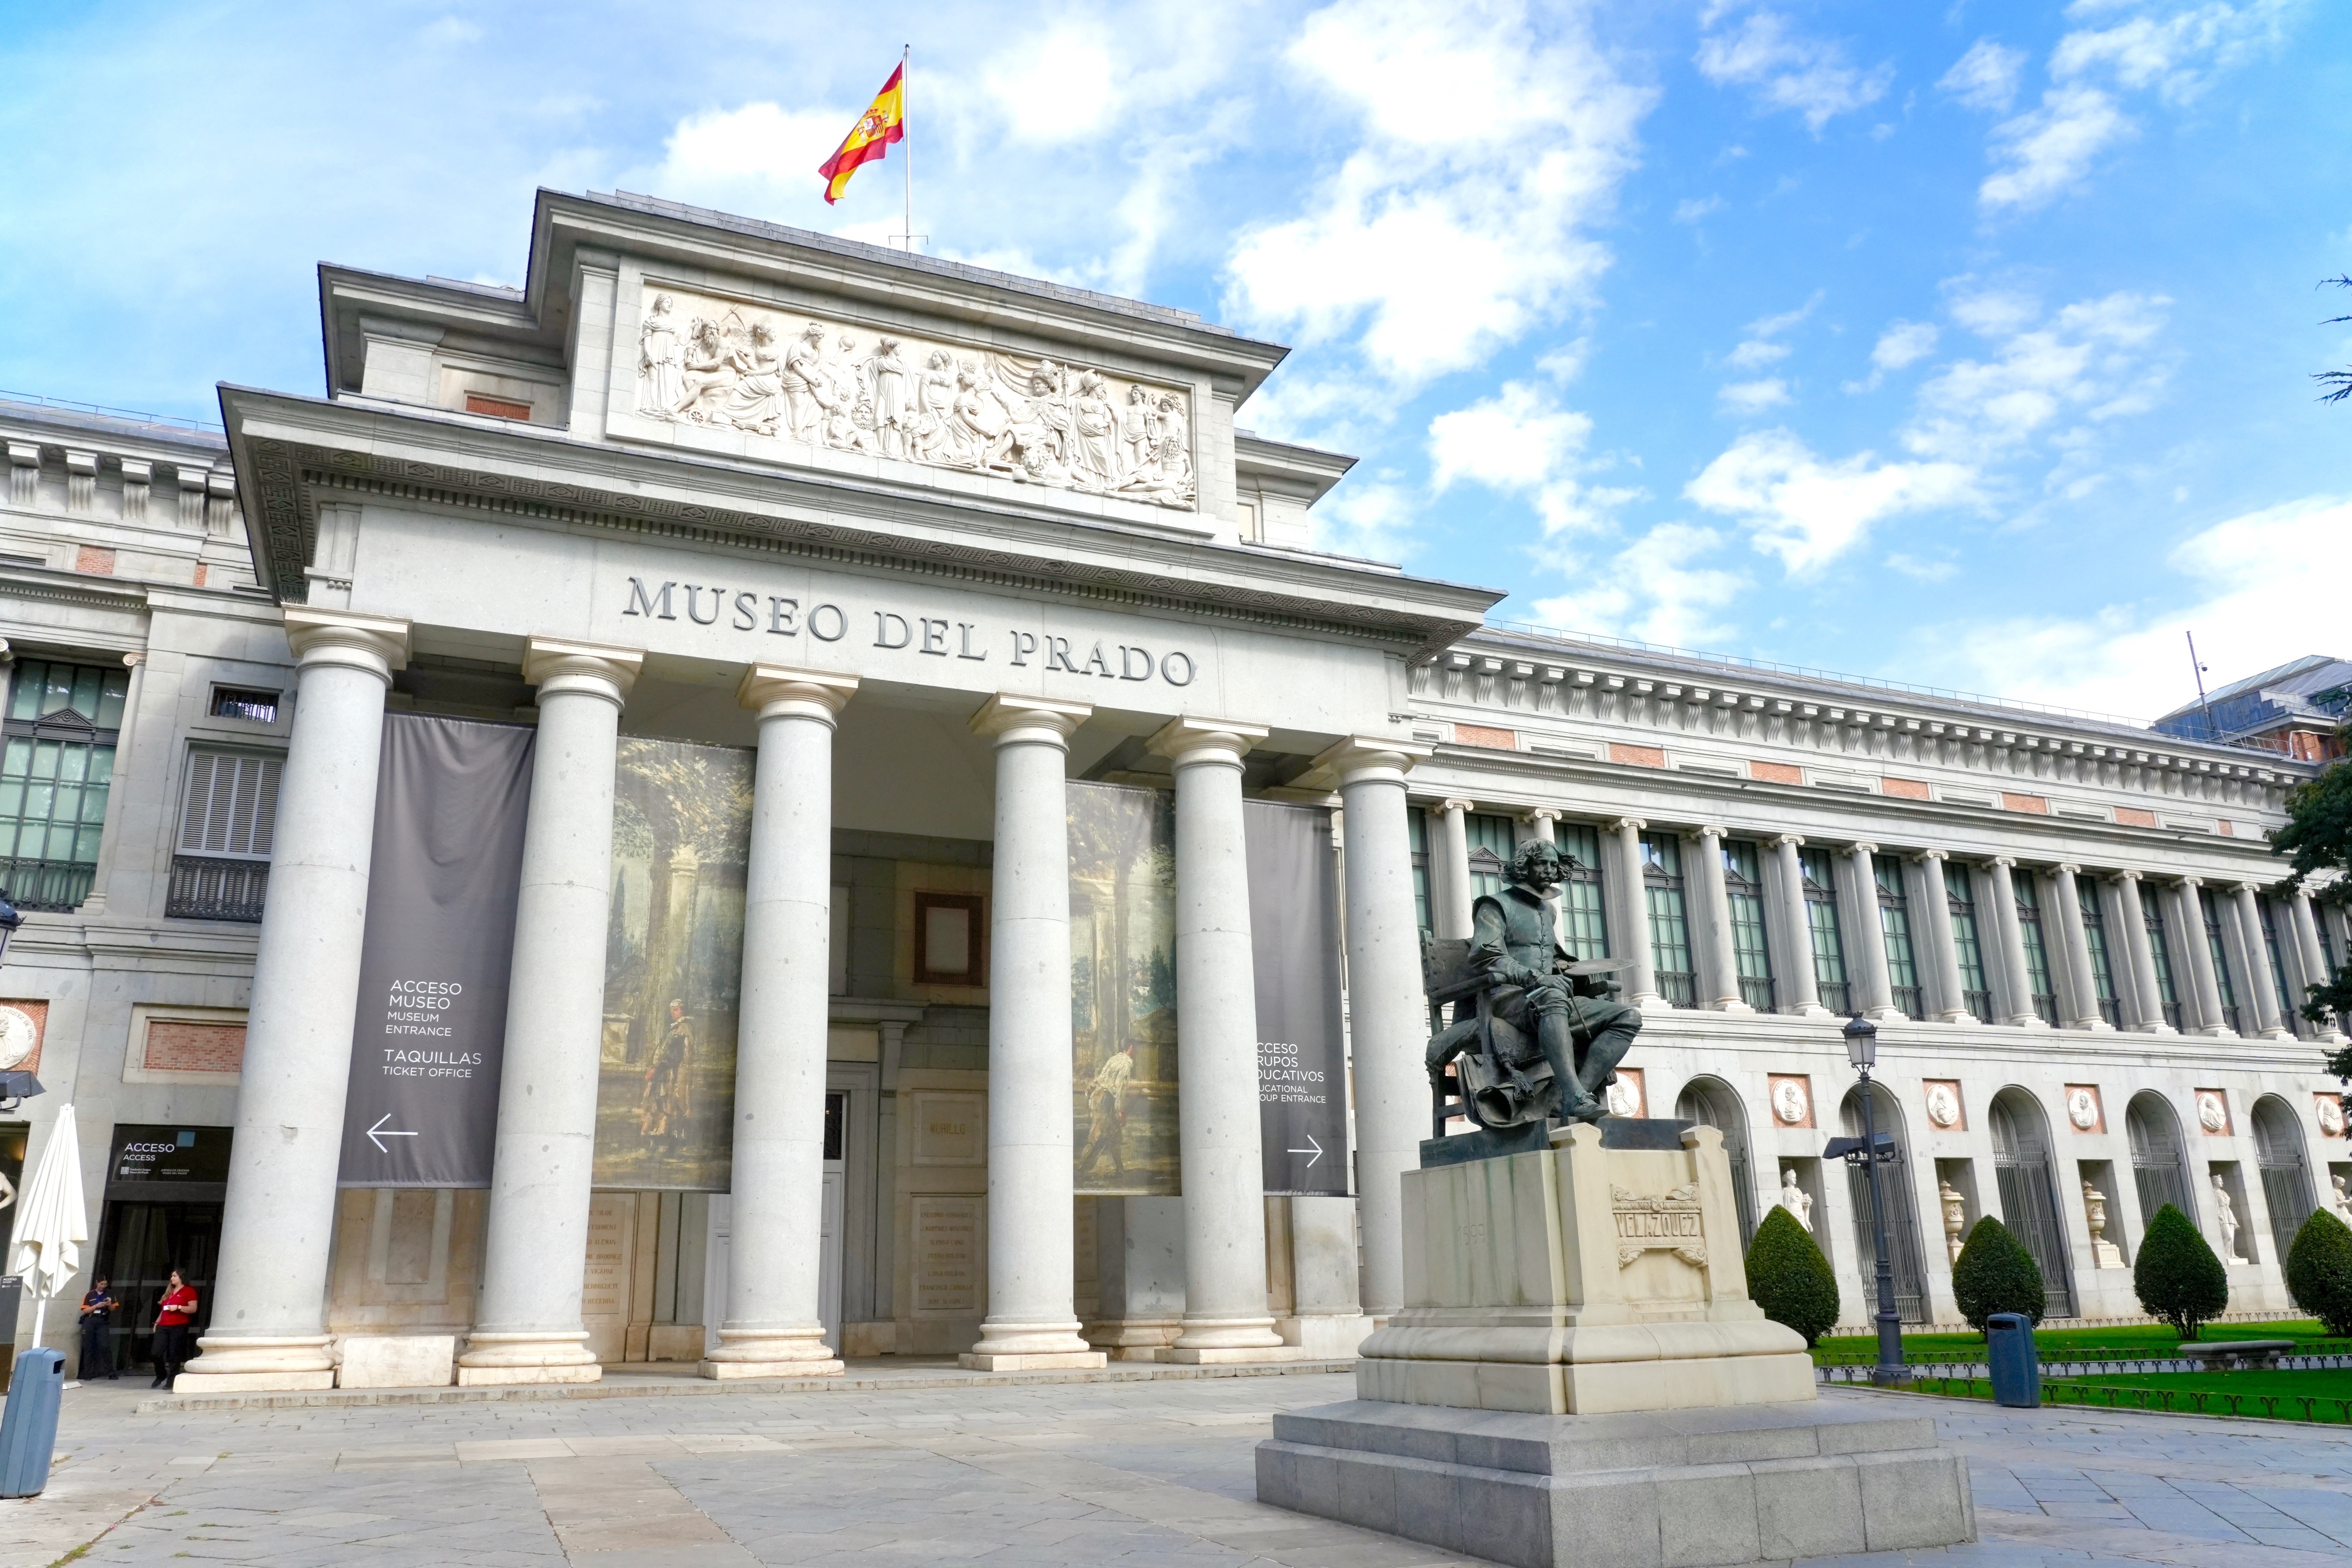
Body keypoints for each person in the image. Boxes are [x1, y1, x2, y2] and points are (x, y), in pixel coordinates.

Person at [1457, 838, 1643, 1125]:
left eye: (1554, 864)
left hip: (1546, 996)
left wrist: (1579, 978)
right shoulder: (1494, 905)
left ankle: (1570, 1093)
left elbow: (1552, 956)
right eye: (1542, 863)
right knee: (1553, 999)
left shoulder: (1547, 911)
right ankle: (1574, 1093)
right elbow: (1486, 955)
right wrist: (1534, 977)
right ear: (1524, 866)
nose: (1549, 869)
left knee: (1628, 1016)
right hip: (1506, 998)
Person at [1079, 1042, 1135, 1180]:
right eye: (1135, 1048)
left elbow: (1101, 1078)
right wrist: (1120, 1111)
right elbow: (1120, 1090)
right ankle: (1080, 1171)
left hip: (1099, 1096)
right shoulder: (1126, 1064)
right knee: (1097, 1135)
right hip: (1106, 1100)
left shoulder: (1114, 1059)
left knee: (1115, 1134)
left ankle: (1120, 1170)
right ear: (1131, 1048)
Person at [640, 1000, 693, 1143]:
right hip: (667, 1070)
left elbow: (674, 1055)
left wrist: (656, 1069)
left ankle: (672, 1134)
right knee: (665, 1101)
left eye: (677, 1010)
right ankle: (663, 1131)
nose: (674, 1013)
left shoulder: (682, 1029)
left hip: (674, 1072)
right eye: (672, 1010)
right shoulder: (675, 1028)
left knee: (675, 1101)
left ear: (683, 1011)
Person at [150, 1269, 197, 1388]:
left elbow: (193, 1309)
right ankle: (161, 1374)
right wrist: (157, 1322)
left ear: (181, 1277)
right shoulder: (169, 1292)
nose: (172, 1278)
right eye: (172, 1276)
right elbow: (164, 1310)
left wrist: (179, 1307)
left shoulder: (189, 1291)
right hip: (163, 1326)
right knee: (156, 1353)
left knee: (174, 1355)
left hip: (179, 1326)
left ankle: (172, 1380)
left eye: (175, 1276)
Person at [78, 1276, 119, 1381]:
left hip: (103, 1322)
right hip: (90, 1321)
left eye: (105, 1284)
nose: (103, 1286)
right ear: (97, 1283)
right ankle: (88, 1373)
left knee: (104, 1346)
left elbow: (114, 1309)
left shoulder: (110, 1294)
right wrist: (97, 1306)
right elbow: (85, 1311)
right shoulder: (90, 1295)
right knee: (88, 1348)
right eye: (101, 1284)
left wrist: (109, 1305)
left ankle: (110, 1372)